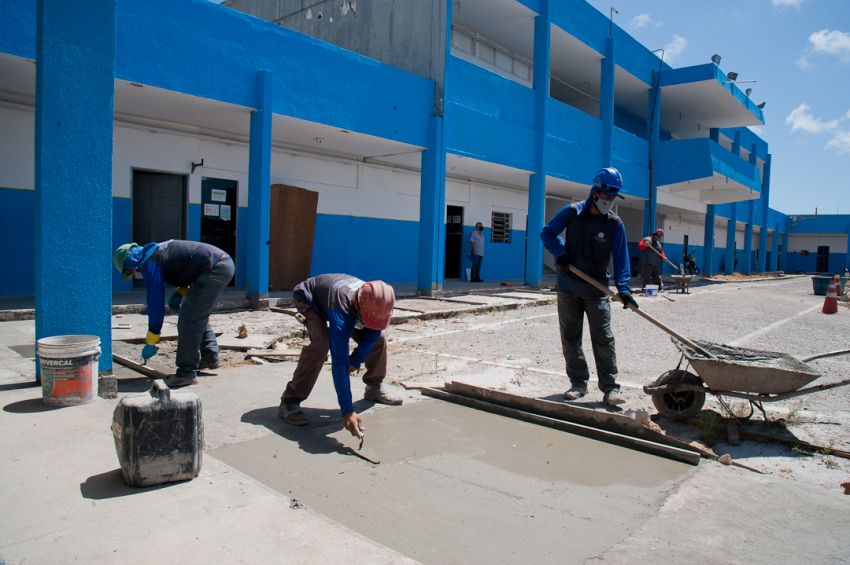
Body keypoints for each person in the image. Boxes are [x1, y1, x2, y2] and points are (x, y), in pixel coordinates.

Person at [540, 167, 636, 407]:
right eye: (607, 195)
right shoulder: (571, 213)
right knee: (570, 337)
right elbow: (547, 234)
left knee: (604, 338)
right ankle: (578, 383)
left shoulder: (615, 223)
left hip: (597, 290)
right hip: (569, 286)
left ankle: (610, 388)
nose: (609, 201)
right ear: (595, 192)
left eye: (613, 197)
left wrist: (624, 288)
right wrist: (560, 253)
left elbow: (621, 258)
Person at [279, 274, 403, 438]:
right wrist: (347, 411)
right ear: (359, 307)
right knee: (321, 343)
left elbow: (374, 332)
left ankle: (374, 387)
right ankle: (290, 401)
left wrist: (357, 359)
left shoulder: (378, 301)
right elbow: (339, 362)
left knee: (379, 338)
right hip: (309, 298)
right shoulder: (342, 311)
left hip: (338, 302)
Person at [112, 239, 234, 387]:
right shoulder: (155, 251)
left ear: (130, 262)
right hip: (219, 264)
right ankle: (209, 356)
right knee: (195, 313)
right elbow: (187, 267)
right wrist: (180, 291)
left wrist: (153, 335)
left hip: (215, 267)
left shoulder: (150, 262)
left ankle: (186, 372)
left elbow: (155, 302)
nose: (133, 274)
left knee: (189, 319)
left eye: (129, 271)